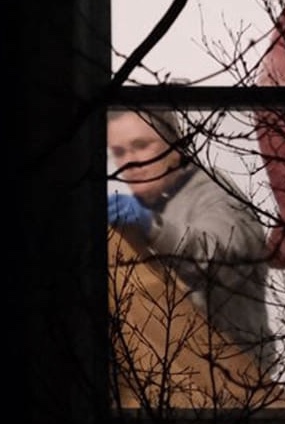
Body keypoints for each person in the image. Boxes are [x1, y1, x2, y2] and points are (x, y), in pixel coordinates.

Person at [107, 106, 276, 373]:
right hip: (174, 372)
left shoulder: (214, 192)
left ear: (175, 147)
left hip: (236, 378)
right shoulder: (146, 209)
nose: (130, 162)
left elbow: (220, 258)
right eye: (119, 152)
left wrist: (154, 228)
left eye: (141, 146)